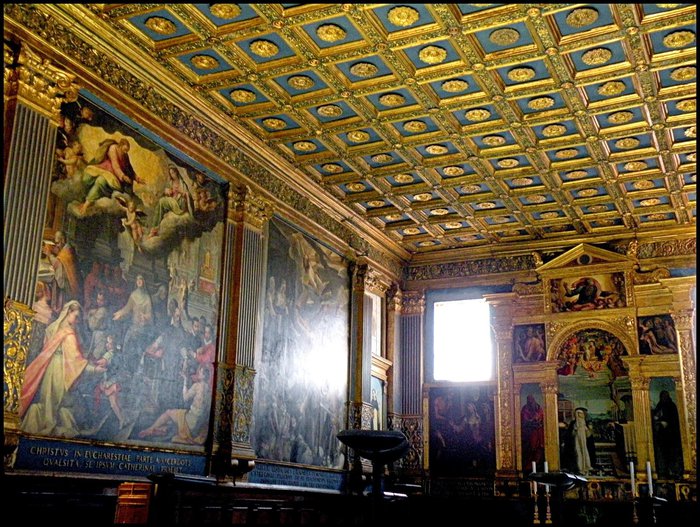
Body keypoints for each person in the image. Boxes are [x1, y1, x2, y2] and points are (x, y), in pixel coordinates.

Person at [20, 301, 107, 436]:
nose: (77, 321)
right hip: (59, 372)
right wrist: (95, 369)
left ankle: (46, 423)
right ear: (68, 312)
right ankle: (52, 426)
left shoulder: (55, 328)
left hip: (50, 369)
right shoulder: (69, 334)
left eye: (78, 318)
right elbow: (77, 361)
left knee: (50, 403)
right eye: (76, 316)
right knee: (57, 402)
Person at [137, 365, 211, 445]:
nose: (198, 373)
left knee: (168, 413)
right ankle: (160, 430)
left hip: (190, 421)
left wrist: (185, 381)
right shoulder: (209, 390)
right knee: (175, 419)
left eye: (200, 372)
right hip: (198, 424)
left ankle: (150, 429)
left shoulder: (197, 385)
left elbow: (185, 397)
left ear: (204, 376)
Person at [79, 138, 144, 214]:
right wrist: (122, 176)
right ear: (120, 145)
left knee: (101, 181)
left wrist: (137, 178)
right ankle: (83, 196)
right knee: (88, 176)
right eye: (124, 150)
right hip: (106, 169)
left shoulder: (125, 155)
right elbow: (115, 165)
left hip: (115, 178)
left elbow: (129, 169)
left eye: (127, 150)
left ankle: (86, 205)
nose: (125, 152)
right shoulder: (113, 148)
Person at [43, 230, 82, 313]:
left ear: (63, 240)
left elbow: (57, 264)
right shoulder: (68, 248)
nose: (57, 245)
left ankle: (56, 307)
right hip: (69, 281)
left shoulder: (67, 252)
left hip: (69, 286)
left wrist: (49, 254)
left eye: (57, 243)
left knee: (53, 280)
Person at [149, 165, 193, 237]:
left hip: (180, 204)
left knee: (162, 201)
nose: (173, 175)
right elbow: (168, 192)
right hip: (173, 202)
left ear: (177, 172)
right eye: (171, 173)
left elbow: (187, 194)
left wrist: (181, 192)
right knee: (160, 203)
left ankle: (154, 229)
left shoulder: (182, 183)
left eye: (173, 172)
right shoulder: (171, 182)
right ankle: (155, 228)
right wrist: (167, 191)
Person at [652, 390, 683, 477]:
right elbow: (656, 415)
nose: (663, 398)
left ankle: (673, 471)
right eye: (662, 396)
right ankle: (664, 470)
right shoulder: (660, 405)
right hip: (662, 435)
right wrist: (658, 420)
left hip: (671, 434)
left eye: (665, 396)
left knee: (672, 453)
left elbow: (674, 419)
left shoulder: (672, 406)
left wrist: (666, 422)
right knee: (663, 453)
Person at [565, 407, 596, 475]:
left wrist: (589, 430)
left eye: (581, 414)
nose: (580, 416)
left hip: (585, 443)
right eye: (578, 414)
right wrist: (575, 430)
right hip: (576, 443)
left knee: (585, 453)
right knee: (578, 454)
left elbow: (589, 435)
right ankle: (580, 468)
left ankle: (587, 466)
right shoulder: (573, 424)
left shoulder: (585, 423)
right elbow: (570, 435)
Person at [521, 394, 545, 470]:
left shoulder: (538, 407)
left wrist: (538, 420)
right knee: (530, 449)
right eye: (529, 400)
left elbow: (541, 417)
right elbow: (524, 419)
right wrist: (532, 421)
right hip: (529, 432)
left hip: (538, 432)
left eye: (532, 400)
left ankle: (538, 463)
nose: (531, 402)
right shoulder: (525, 409)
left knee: (539, 448)